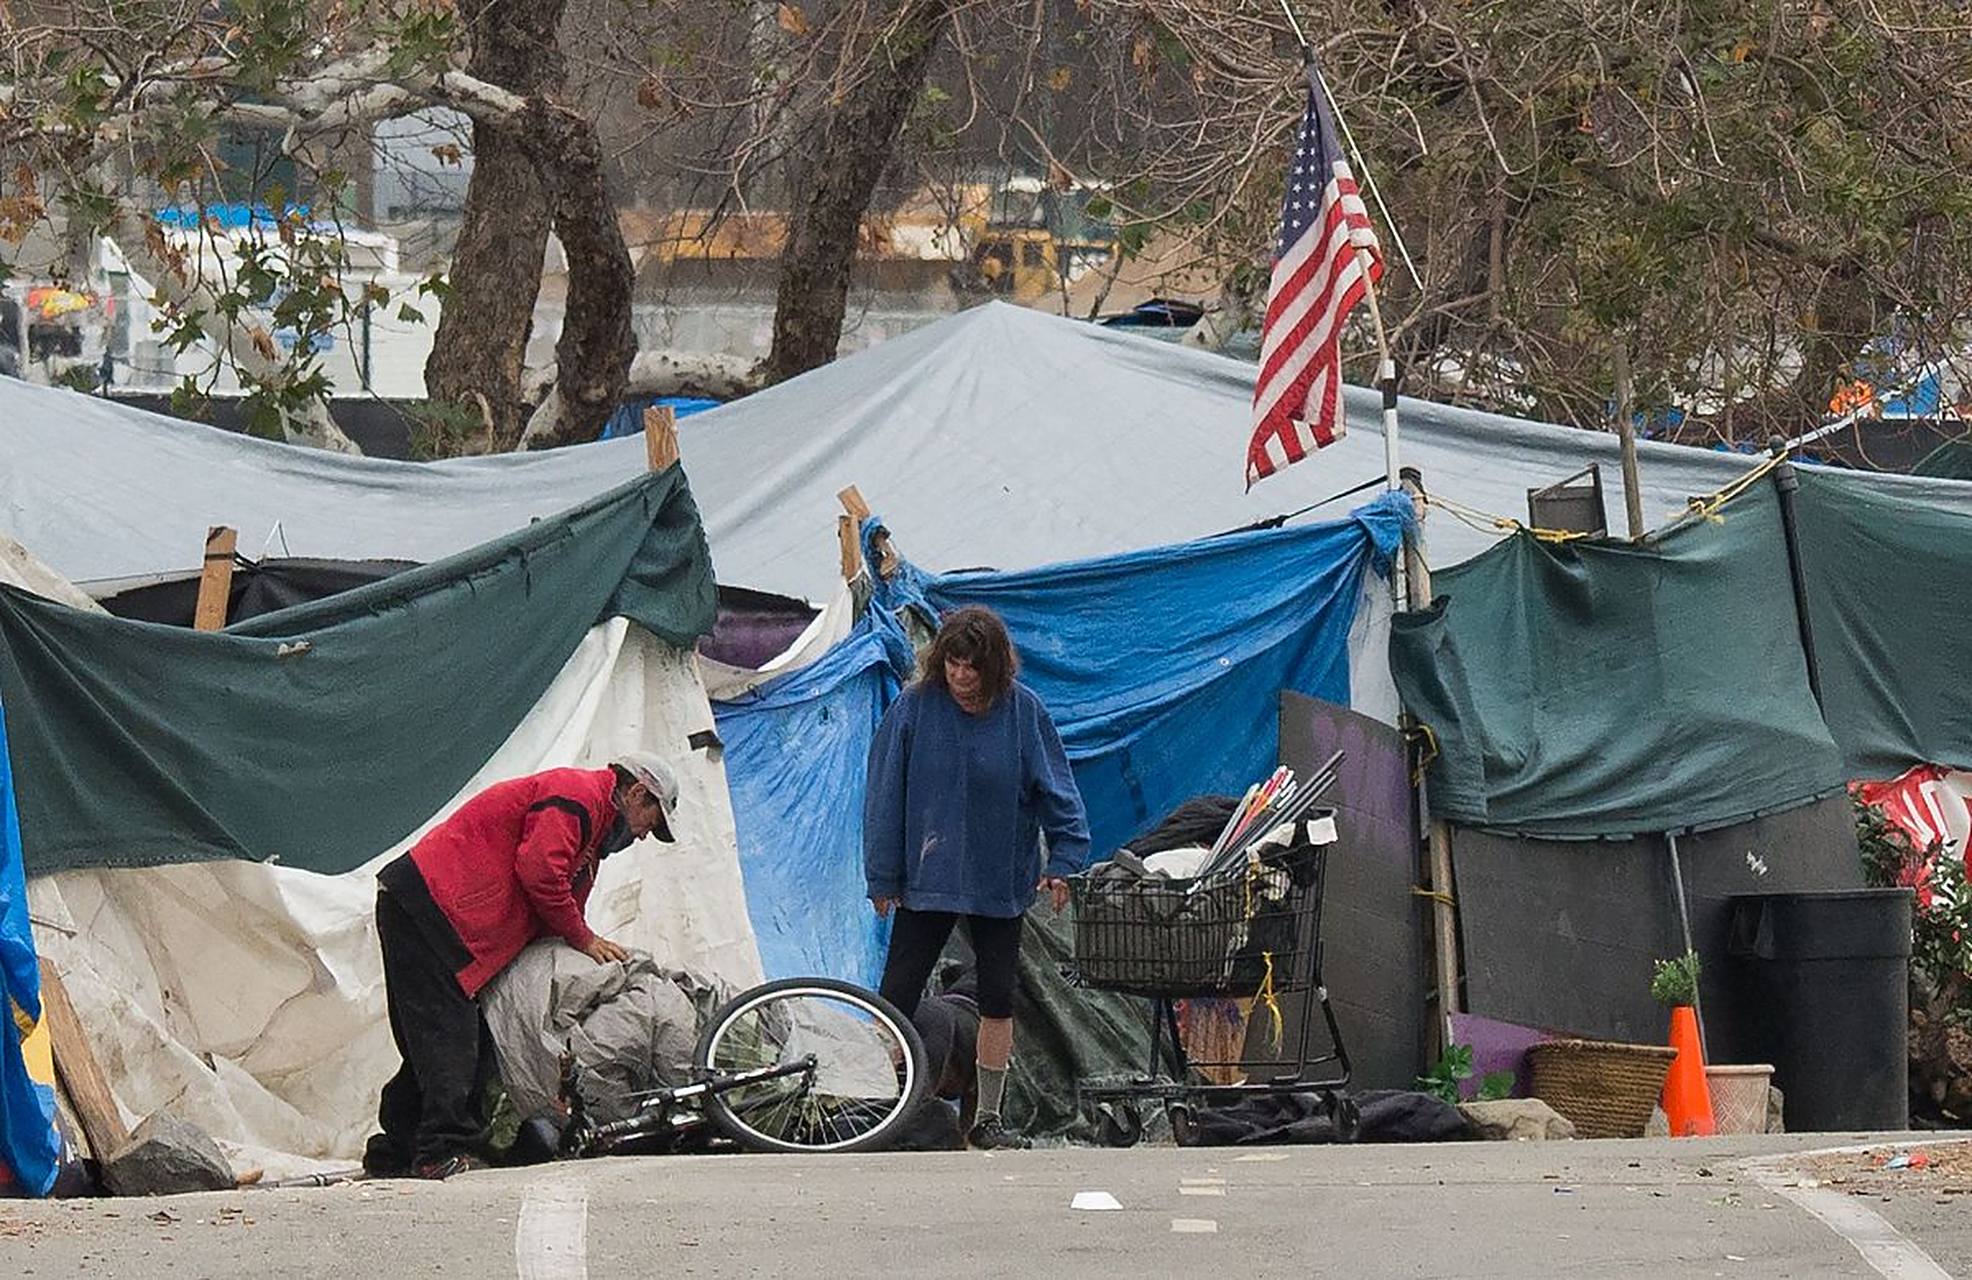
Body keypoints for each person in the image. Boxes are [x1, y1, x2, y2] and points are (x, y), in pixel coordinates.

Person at [363, 751, 681, 1179]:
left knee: (442, 1042)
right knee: (451, 1040)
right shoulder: (578, 794)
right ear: (638, 792)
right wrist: (584, 939)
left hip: (451, 922)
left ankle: (393, 1153)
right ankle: (440, 1152)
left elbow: (558, 913)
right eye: (652, 821)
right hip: (431, 908)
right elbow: (539, 871)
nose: (643, 836)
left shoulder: (592, 843)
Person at [864, 605, 1090, 1151]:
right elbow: (884, 793)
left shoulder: (1023, 713)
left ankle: (986, 1117)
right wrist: (882, 875)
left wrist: (1065, 858)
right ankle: (873, 1102)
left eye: (972, 666)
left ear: (995, 669)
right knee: (895, 993)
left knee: (997, 997)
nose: (961, 677)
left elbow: (1057, 789)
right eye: (953, 664)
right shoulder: (914, 709)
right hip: (928, 873)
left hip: (999, 877)